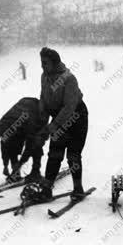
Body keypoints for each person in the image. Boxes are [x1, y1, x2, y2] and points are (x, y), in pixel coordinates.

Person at [32, 47, 89, 202]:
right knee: (55, 153)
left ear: (55, 63)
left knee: (73, 155)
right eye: (41, 63)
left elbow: (69, 107)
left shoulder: (69, 79)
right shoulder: (44, 76)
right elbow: (43, 97)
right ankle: (46, 189)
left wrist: (52, 126)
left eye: (45, 63)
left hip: (76, 117)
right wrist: (42, 120)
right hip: (59, 116)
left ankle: (78, 188)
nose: (42, 66)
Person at [0, 97, 45, 183]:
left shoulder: (32, 118)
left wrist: (19, 163)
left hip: (31, 119)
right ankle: (23, 172)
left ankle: (32, 171)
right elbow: (5, 145)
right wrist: (6, 165)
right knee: (14, 145)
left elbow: (30, 145)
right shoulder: (3, 124)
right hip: (16, 124)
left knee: (36, 141)